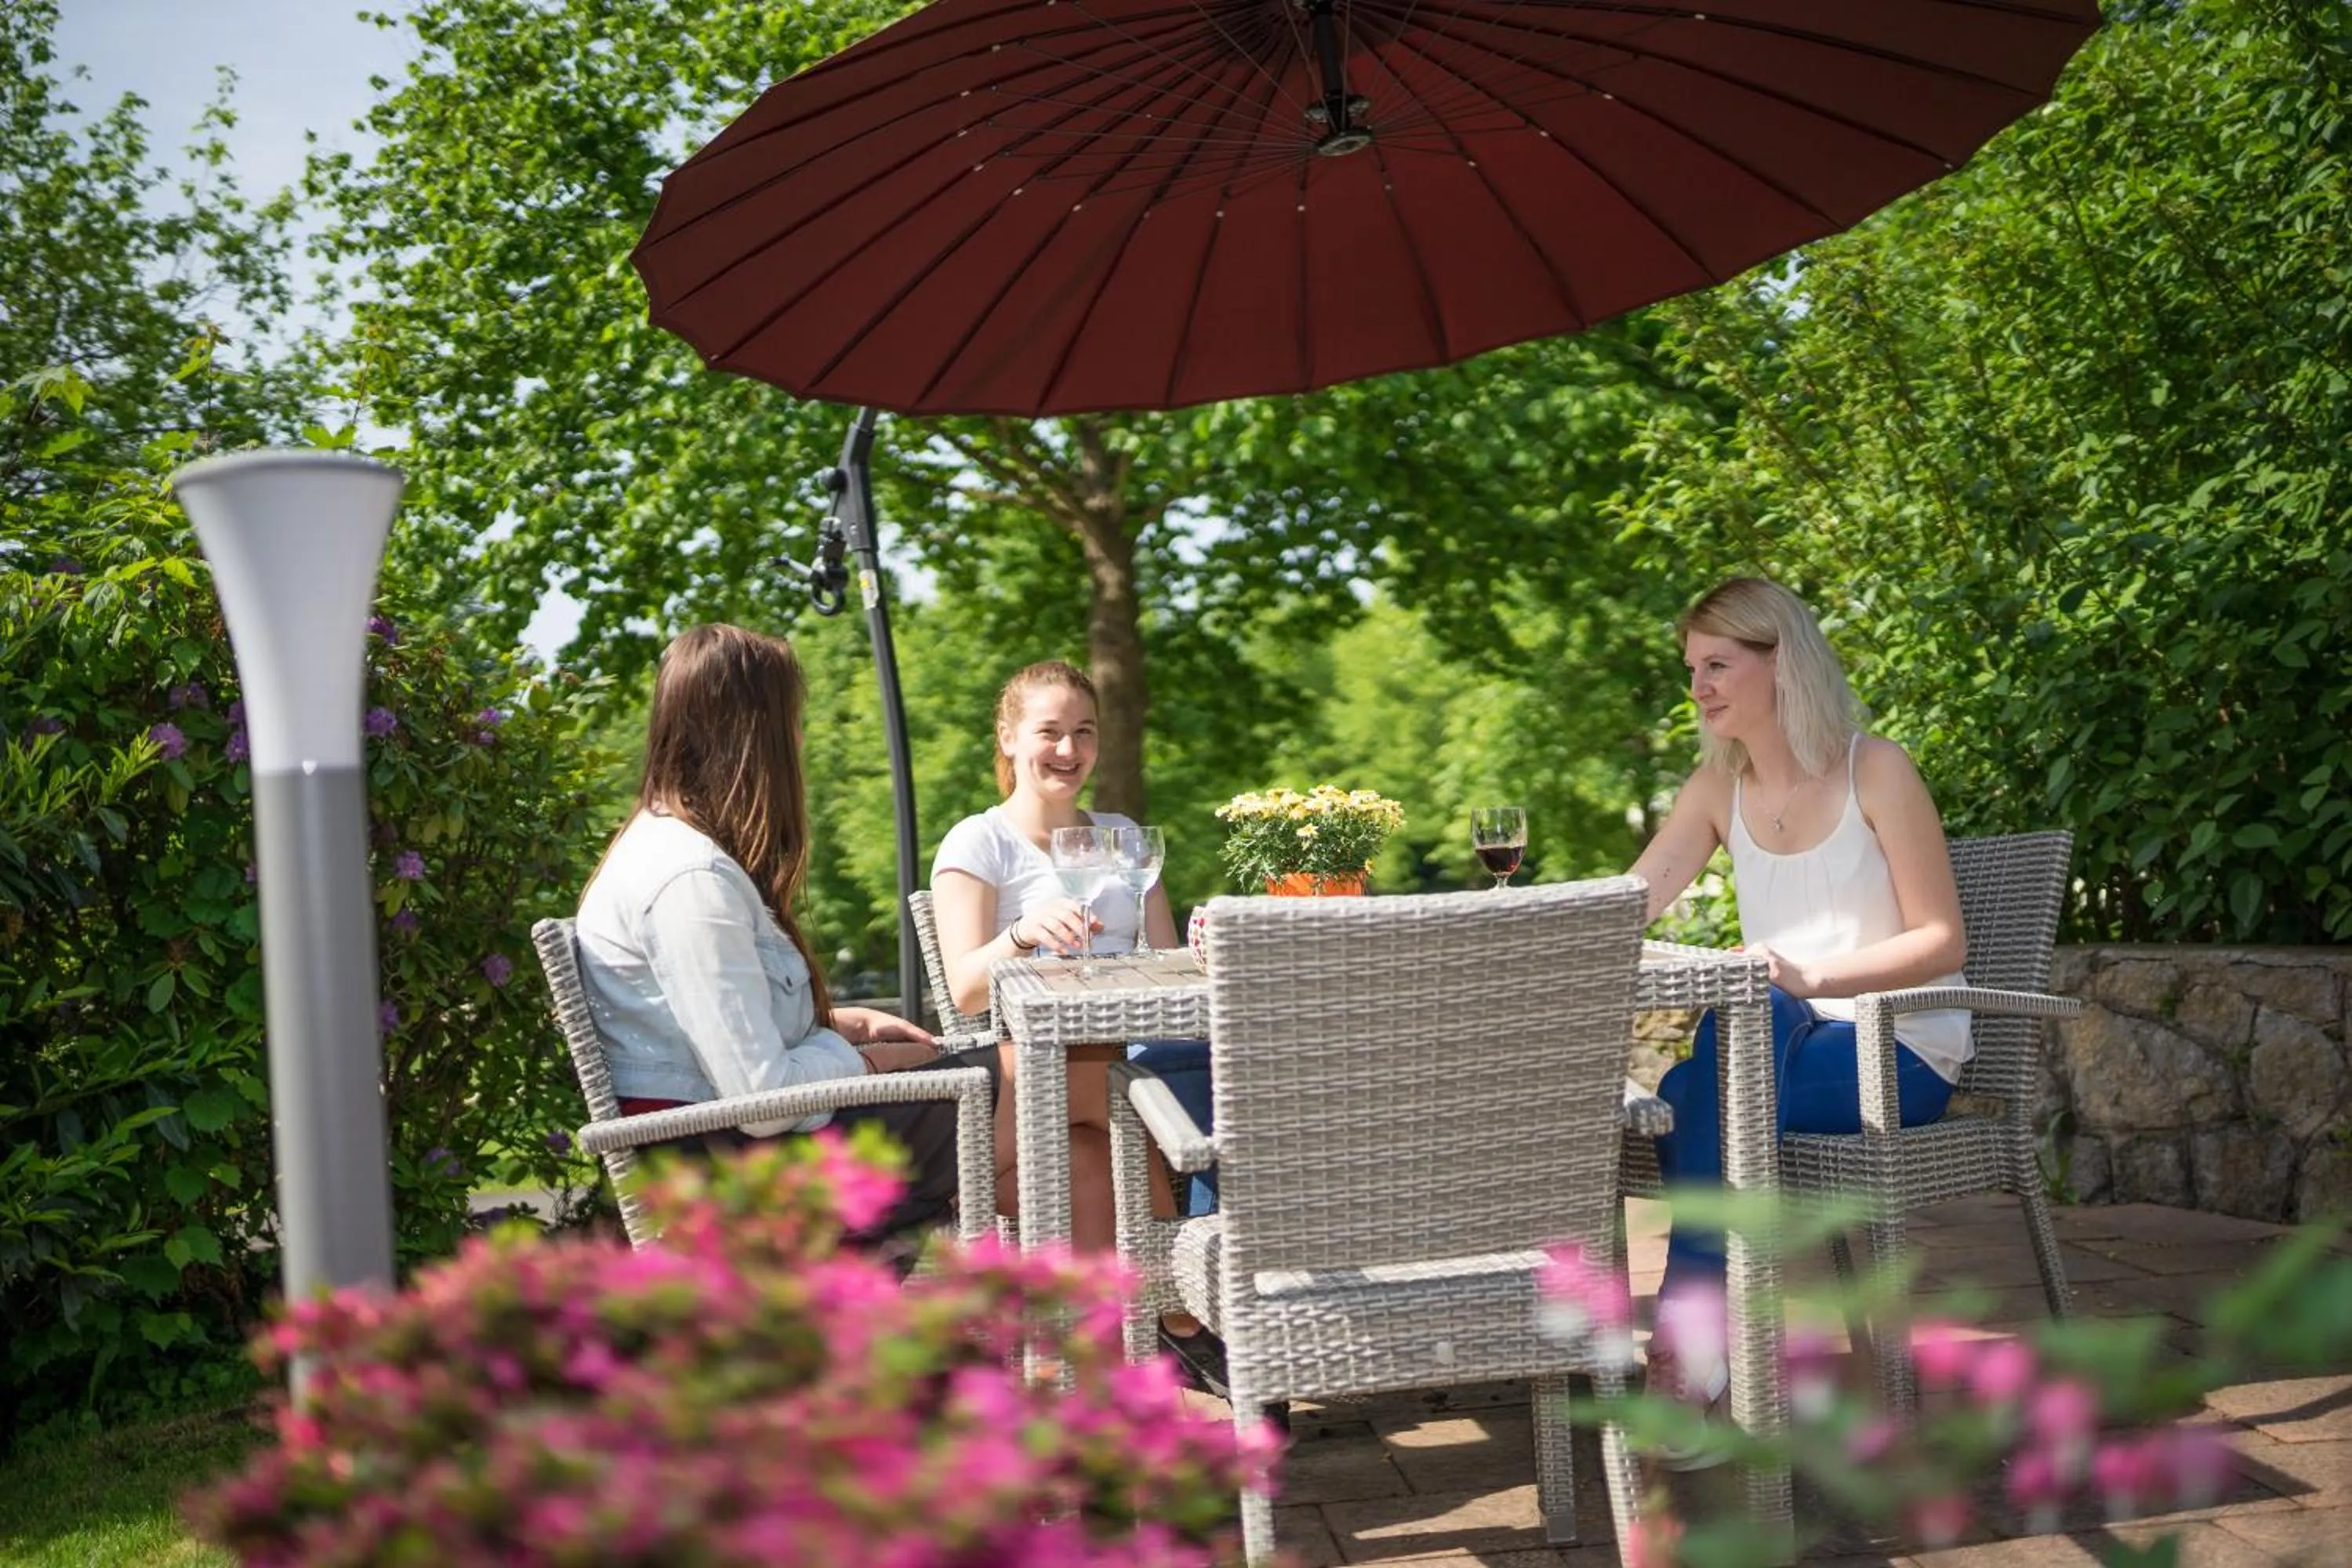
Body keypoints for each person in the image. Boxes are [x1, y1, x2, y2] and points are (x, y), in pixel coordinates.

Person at [575, 624, 1100, 1249]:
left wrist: (837, 1023)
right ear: (749, 734)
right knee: (1072, 1070)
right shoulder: (689, 881)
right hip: (746, 1175)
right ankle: (1176, 1304)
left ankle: (1099, 1331)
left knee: (1079, 1143)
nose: (798, 740)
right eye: (789, 721)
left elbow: (721, 1029)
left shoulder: (675, 850)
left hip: (749, 1149)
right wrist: (865, 1062)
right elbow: (762, 1102)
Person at [1628, 578, 1969, 1414]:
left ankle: (1693, 1339)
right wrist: (1520, 924)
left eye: (1718, 663)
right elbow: (1624, 901)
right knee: (1706, 1065)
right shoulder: (1716, 789)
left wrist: (1812, 977)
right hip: (1778, 1041)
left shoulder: (1875, 767)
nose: (1698, 686)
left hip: (1899, 1050)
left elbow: (1942, 940)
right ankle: (1702, 1346)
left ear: (1782, 660)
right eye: (1691, 667)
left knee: (1699, 1077)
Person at [928, 659, 1229, 1392]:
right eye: (1050, 732)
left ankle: (1127, 1358)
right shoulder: (979, 842)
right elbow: (966, 991)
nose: (1068, 750)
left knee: (1101, 1154)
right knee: (1113, 1112)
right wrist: (1024, 935)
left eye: (1084, 732)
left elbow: (1164, 970)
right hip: (1016, 1103)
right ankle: (1184, 1325)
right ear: (1008, 738)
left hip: (1105, 1101)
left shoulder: (1124, 836)